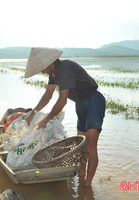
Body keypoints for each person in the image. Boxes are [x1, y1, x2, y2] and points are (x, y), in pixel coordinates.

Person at [23, 47, 106, 186]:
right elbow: (48, 95)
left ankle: (87, 185)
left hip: (93, 102)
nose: (41, 72)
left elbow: (62, 100)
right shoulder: (53, 73)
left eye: (41, 68)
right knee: (82, 146)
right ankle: (81, 175)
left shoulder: (65, 68)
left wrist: (46, 119)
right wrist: (33, 112)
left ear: (47, 64)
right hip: (80, 104)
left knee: (91, 148)